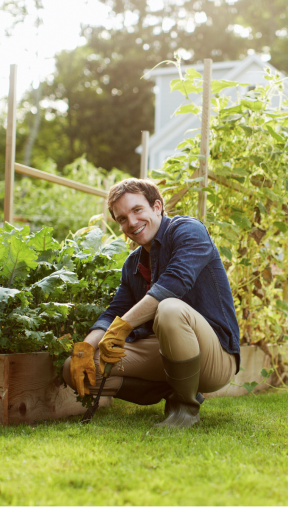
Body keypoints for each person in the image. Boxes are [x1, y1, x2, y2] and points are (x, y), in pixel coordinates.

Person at [63, 179, 240, 428]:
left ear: (157, 207)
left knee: (169, 308)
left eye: (137, 210)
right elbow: (115, 311)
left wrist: (122, 328)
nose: (132, 222)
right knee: (74, 368)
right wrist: (85, 348)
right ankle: (170, 390)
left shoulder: (188, 230)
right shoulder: (133, 264)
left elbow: (173, 285)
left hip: (214, 357)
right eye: (122, 218)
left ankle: (185, 408)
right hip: (165, 352)